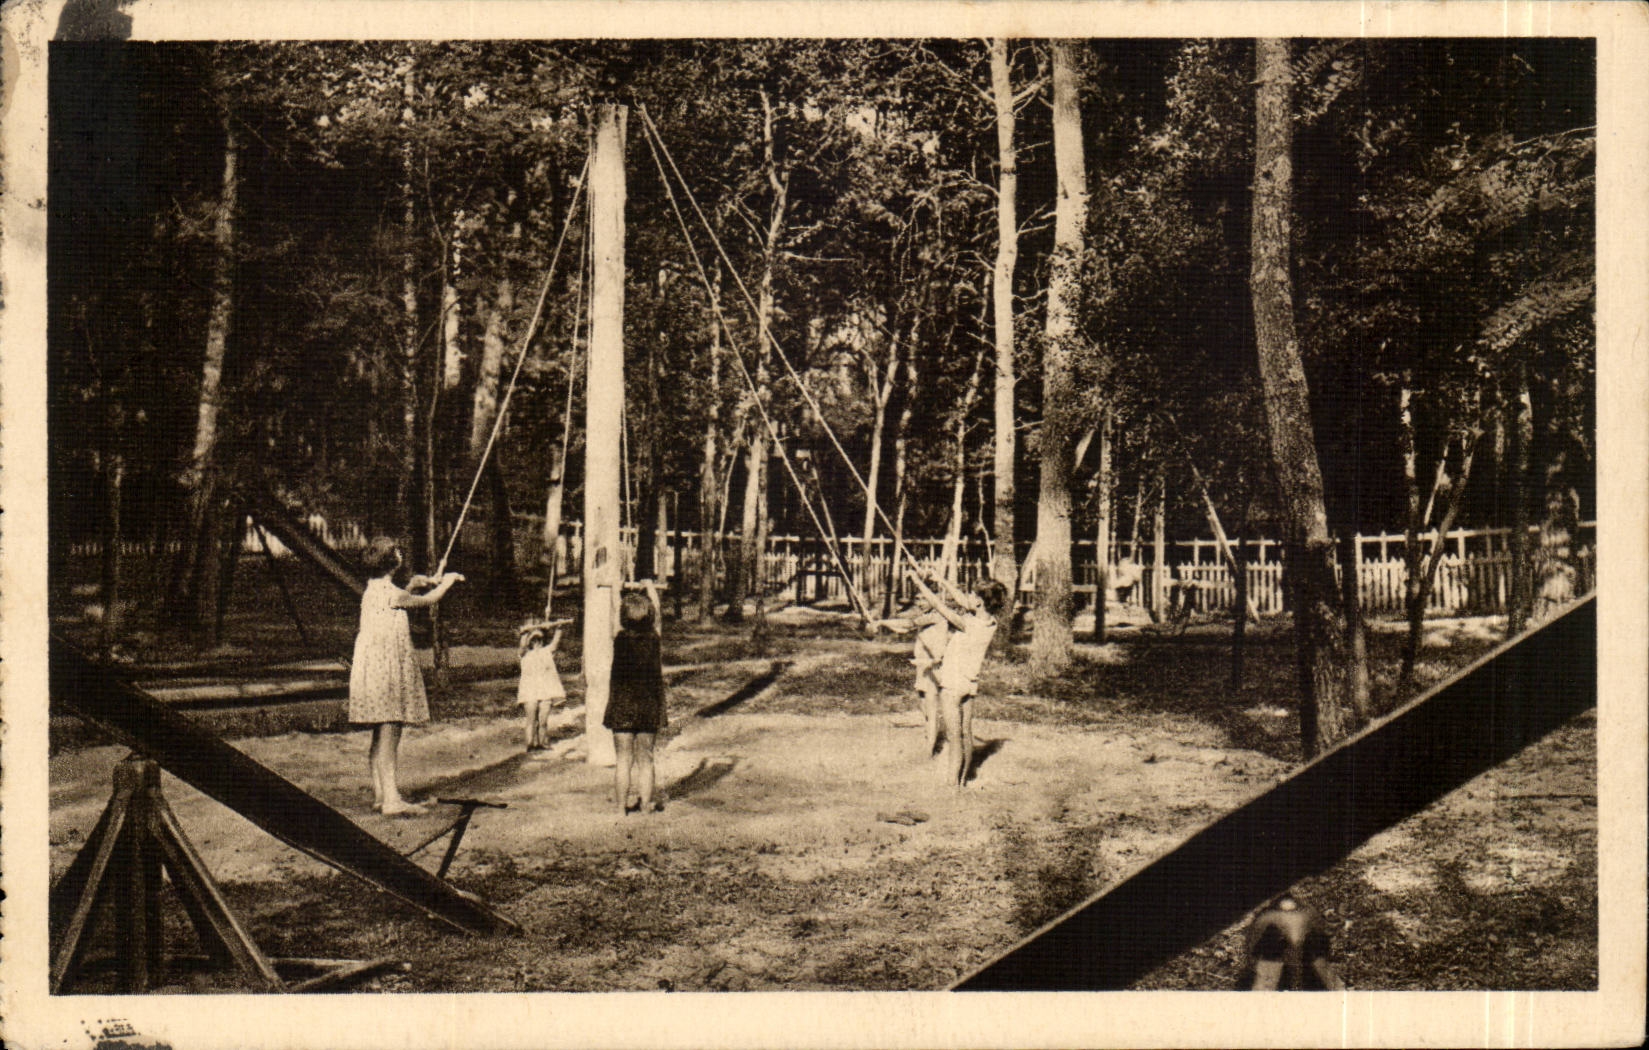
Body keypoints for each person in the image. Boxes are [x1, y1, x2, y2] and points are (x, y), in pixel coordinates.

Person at [347, 537, 463, 815]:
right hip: (387, 671)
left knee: (380, 734)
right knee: (390, 732)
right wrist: (447, 581)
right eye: (397, 551)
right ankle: (391, 800)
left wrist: (413, 584)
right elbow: (428, 601)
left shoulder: (375, 589)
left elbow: (399, 598)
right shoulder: (392, 594)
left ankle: (380, 794)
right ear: (393, 561)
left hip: (373, 670)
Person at [908, 571, 1008, 789]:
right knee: (966, 733)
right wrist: (940, 579)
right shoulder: (990, 622)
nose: (967, 597)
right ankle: (962, 781)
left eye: (972, 594)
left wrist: (919, 583)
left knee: (954, 739)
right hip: (970, 684)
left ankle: (952, 786)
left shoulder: (968, 623)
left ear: (980, 601)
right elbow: (963, 601)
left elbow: (939, 606)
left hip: (953, 685)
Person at [603, 581, 666, 814]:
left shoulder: (619, 637)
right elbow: (658, 615)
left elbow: (613, 613)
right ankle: (647, 805)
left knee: (623, 759)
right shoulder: (654, 637)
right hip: (648, 705)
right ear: (649, 616)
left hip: (623, 705)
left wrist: (615, 590)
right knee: (646, 759)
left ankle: (621, 808)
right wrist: (650, 587)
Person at [517, 620, 568, 752]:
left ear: (542, 641)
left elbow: (555, 642)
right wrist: (525, 632)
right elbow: (522, 645)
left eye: (539, 639)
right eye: (533, 640)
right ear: (530, 642)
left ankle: (543, 742)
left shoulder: (547, 651)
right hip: (529, 692)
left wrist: (559, 628)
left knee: (543, 720)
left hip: (545, 691)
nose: (536, 642)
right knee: (531, 720)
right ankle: (530, 744)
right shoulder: (524, 654)